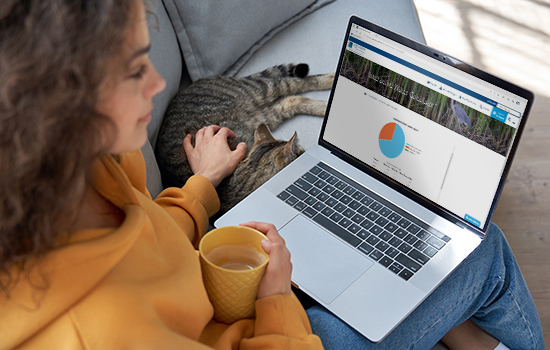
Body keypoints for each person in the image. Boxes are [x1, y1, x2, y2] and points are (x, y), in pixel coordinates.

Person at [0, 1, 543, 349]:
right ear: (65, 102)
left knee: (395, 273)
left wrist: (200, 187)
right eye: (136, 68)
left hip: (234, 301)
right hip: (279, 333)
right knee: (481, 251)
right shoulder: (100, 332)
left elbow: (144, 245)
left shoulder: (86, 169)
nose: (156, 83)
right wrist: (278, 298)